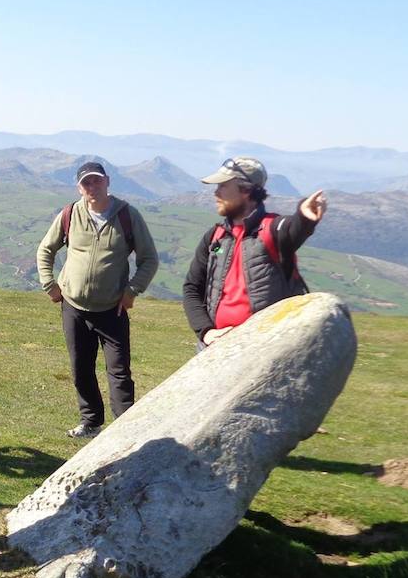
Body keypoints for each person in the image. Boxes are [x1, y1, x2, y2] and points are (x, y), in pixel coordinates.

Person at [35, 161, 159, 438]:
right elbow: (46, 250)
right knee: (81, 368)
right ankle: (91, 422)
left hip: (111, 309)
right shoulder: (70, 214)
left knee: (119, 372)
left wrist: (131, 291)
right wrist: (49, 284)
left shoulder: (128, 215)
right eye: (86, 183)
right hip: (74, 307)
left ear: (108, 181)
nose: (92, 187)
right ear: (79, 187)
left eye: (97, 181)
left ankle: (126, 431)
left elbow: (149, 258)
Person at [182, 156, 327, 347]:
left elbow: (293, 228)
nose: (216, 193)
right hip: (213, 348)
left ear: (245, 190)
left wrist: (304, 217)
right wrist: (206, 332)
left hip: (262, 349)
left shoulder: (273, 229)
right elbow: (192, 287)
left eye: (223, 186)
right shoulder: (214, 237)